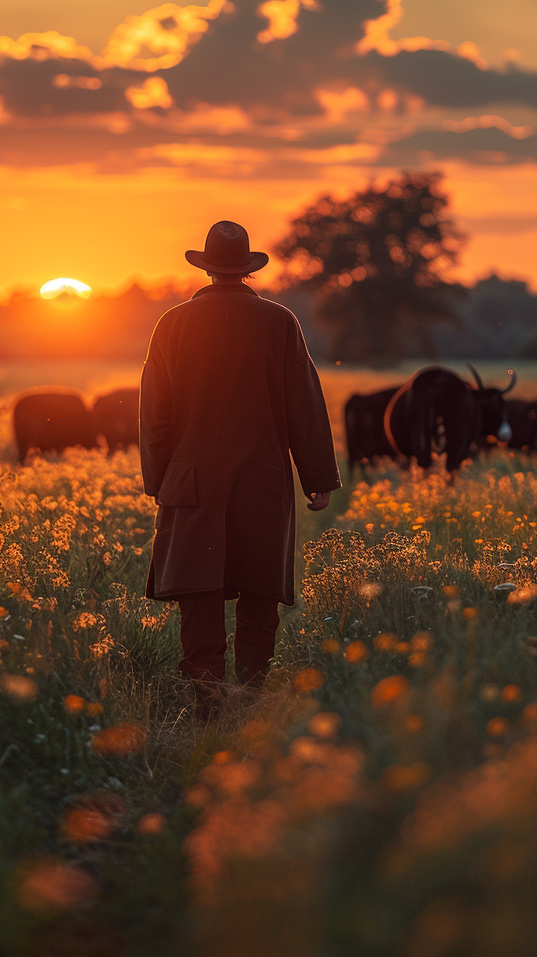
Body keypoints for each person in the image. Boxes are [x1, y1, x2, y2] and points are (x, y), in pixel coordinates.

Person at [139, 220, 342, 720]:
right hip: (263, 479)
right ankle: (250, 696)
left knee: (198, 590)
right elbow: (305, 405)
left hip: (191, 480)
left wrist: (159, 479)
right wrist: (317, 478)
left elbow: (154, 413)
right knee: (259, 591)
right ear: (248, 268)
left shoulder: (173, 324)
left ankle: (207, 701)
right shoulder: (279, 323)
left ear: (207, 269)